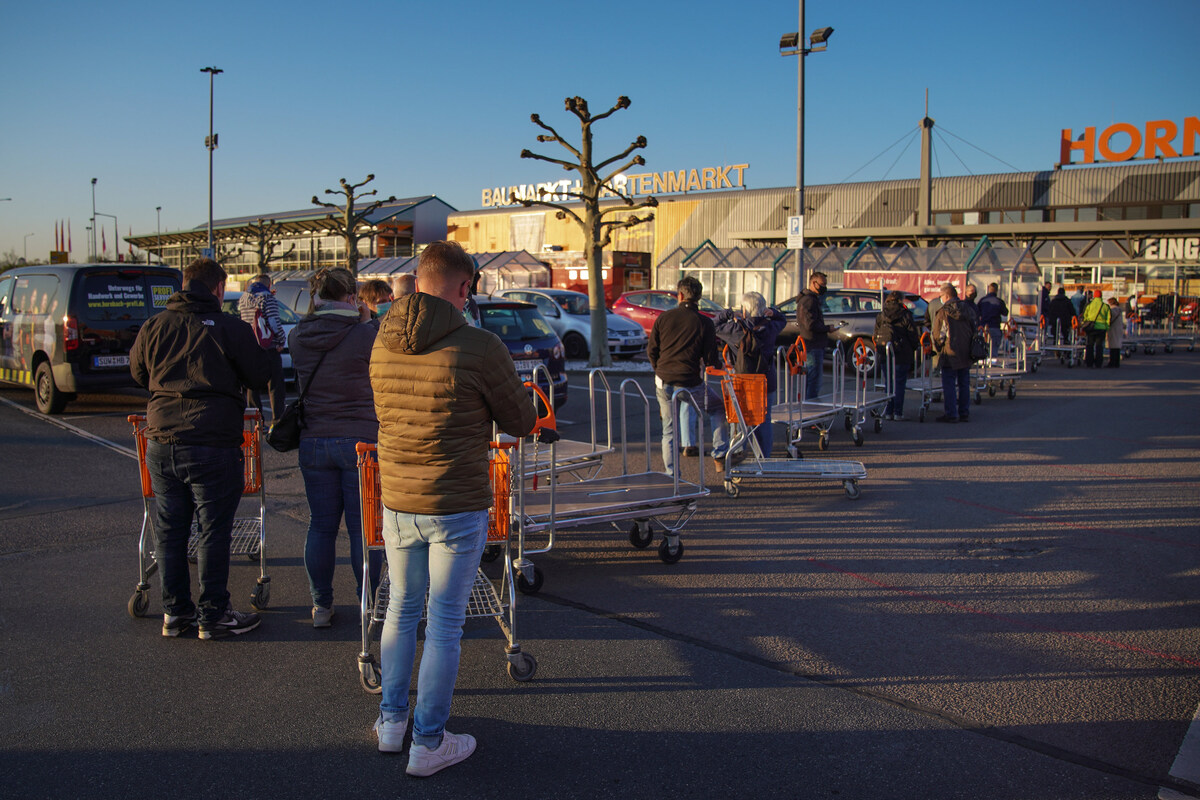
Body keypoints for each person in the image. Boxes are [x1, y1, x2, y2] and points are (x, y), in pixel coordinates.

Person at [370, 240, 536, 776]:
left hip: (398, 495)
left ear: (418, 279)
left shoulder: (383, 339)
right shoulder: (481, 345)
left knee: (400, 607)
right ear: (464, 287)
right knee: (443, 624)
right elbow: (520, 421)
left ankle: (391, 722)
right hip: (456, 500)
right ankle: (428, 741)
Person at [130, 257, 269, 640]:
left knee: (171, 531)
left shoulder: (155, 326)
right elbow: (258, 374)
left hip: (161, 440)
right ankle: (214, 614)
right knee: (212, 531)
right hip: (212, 442)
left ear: (184, 283)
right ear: (218, 289)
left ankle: (175, 614)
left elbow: (139, 373)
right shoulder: (230, 328)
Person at [289, 267, 384, 629]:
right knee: (364, 531)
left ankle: (321, 607)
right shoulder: (365, 335)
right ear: (350, 297)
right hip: (361, 444)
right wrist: (366, 315)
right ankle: (369, 605)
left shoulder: (298, 335)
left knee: (321, 527)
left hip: (313, 441)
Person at [648, 275, 731, 474]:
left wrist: (659, 368)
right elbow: (711, 359)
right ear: (699, 297)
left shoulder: (664, 318)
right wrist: (724, 366)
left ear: (680, 295)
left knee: (668, 431)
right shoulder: (704, 323)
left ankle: (672, 475)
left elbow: (652, 350)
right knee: (718, 409)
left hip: (664, 380)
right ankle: (720, 454)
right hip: (690, 382)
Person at [715, 292, 786, 456]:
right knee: (764, 419)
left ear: (744, 310)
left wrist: (728, 313)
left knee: (741, 417)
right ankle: (763, 456)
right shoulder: (769, 328)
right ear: (763, 309)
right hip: (766, 379)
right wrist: (773, 312)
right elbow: (782, 320)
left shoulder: (735, 329)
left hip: (742, 379)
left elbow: (714, 326)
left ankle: (740, 451)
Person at [237, 273, 287, 420]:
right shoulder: (267, 298)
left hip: (251, 346)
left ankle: (256, 420)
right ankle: (277, 420)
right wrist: (281, 340)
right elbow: (273, 322)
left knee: (252, 386)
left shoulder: (244, 298)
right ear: (269, 285)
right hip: (269, 347)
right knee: (275, 387)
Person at [930, 283, 977, 423]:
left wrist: (938, 348)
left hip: (950, 352)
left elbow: (939, 335)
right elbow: (975, 328)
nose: (940, 298)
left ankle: (951, 413)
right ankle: (964, 412)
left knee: (949, 384)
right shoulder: (967, 309)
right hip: (966, 351)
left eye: (941, 296)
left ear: (947, 296)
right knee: (964, 383)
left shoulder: (943, 312)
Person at [873, 290, 921, 421]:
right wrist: (915, 347)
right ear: (900, 300)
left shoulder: (881, 315)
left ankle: (888, 411)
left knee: (888, 383)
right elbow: (912, 335)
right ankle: (898, 412)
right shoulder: (905, 315)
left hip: (885, 353)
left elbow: (875, 333)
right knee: (899, 383)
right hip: (902, 353)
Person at [795, 271, 842, 399]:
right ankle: (809, 409)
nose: (824, 287)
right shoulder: (809, 301)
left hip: (811, 344)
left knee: (811, 379)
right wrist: (827, 328)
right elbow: (810, 324)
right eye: (822, 284)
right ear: (813, 283)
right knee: (813, 380)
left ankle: (807, 407)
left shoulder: (809, 300)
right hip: (812, 345)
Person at [1081, 291, 1112, 368]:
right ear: (1101, 296)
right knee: (1099, 346)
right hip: (1101, 329)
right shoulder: (1105, 306)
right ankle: (1098, 363)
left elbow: (1085, 316)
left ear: (1094, 296)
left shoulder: (1089, 305)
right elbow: (1108, 319)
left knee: (1090, 345)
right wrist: (1107, 328)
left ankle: (1089, 362)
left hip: (1091, 328)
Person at [977, 282, 1008, 358]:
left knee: (982, 348)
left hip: (983, 328)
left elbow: (977, 313)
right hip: (995, 327)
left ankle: (983, 365)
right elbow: (1005, 313)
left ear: (988, 290)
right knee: (994, 350)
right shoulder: (999, 301)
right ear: (996, 290)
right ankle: (992, 365)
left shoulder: (982, 301)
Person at [1105, 297, 1124, 368]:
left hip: (1113, 329)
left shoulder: (1112, 310)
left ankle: (1112, 362)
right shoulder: (1118, 309)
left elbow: (1110, 318)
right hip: (1118, 329)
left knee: (1112, 347)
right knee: (1117, 346)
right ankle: (1116, 362)